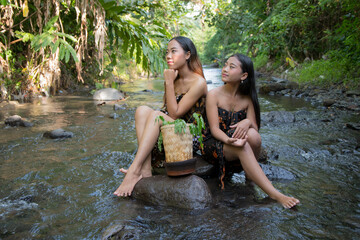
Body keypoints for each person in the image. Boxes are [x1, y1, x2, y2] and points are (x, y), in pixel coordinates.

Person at [201, 53, 299, 208]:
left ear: (244, 75)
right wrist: (229, 140)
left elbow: (254, 127)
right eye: (225, 64)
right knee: (242, 145)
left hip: (234, 142)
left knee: (254, 135)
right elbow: (214, 130)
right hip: (214, 143)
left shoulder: (247, 99)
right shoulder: (214, 95)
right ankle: (275, 193)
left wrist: (247, 122)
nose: (225, 69)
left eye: (231, 67)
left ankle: (250, 177)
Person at [114, 36, 207, 197]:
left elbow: (174, 114)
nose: (168, 56)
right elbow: (167, 110)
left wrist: (169, 82)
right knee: (142, 110)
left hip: (189, 139)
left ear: (187, 55)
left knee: (157, 115)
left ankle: (134, 170)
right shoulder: (173, 78)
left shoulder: (198, 82)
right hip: (171, 135)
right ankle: (145, 169)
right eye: (167, 52)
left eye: (173, 51)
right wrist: (170, 82)